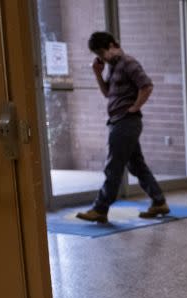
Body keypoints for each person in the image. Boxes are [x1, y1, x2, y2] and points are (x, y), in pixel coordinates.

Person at [77, 32, 169, 223]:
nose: (101, 58)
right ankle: (159, 202)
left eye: (102, 52)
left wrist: (135, 107)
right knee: (136, 165)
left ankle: (100, 208)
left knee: (114, 166)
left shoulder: (128, 63)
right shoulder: (112, 67)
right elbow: (107, 94)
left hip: (126, 122)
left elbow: (147, 86)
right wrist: (97, 73)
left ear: (112, 45)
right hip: (119, 122)